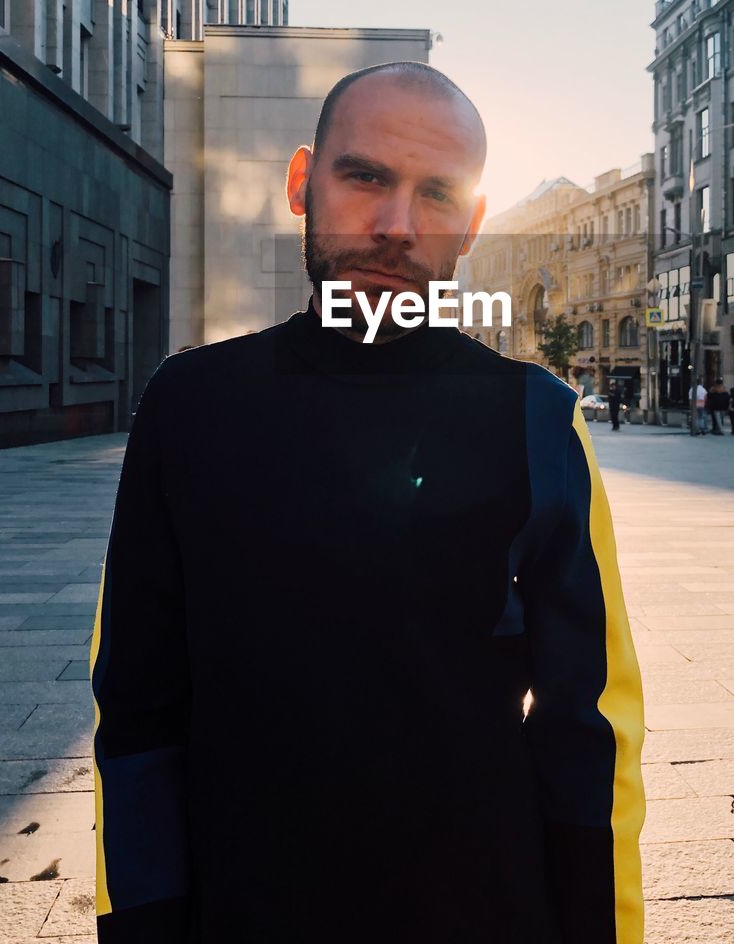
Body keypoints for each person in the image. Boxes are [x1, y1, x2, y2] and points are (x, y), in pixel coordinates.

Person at [90, 62, 645, 944]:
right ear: (303, 182)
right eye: (365, 177)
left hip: (484, 912)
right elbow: (135, 710)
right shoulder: (189, 408)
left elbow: (591, 726)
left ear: (470, 224)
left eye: (437, 194)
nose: (395, 226)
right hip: (242, 912)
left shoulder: (536, 417)